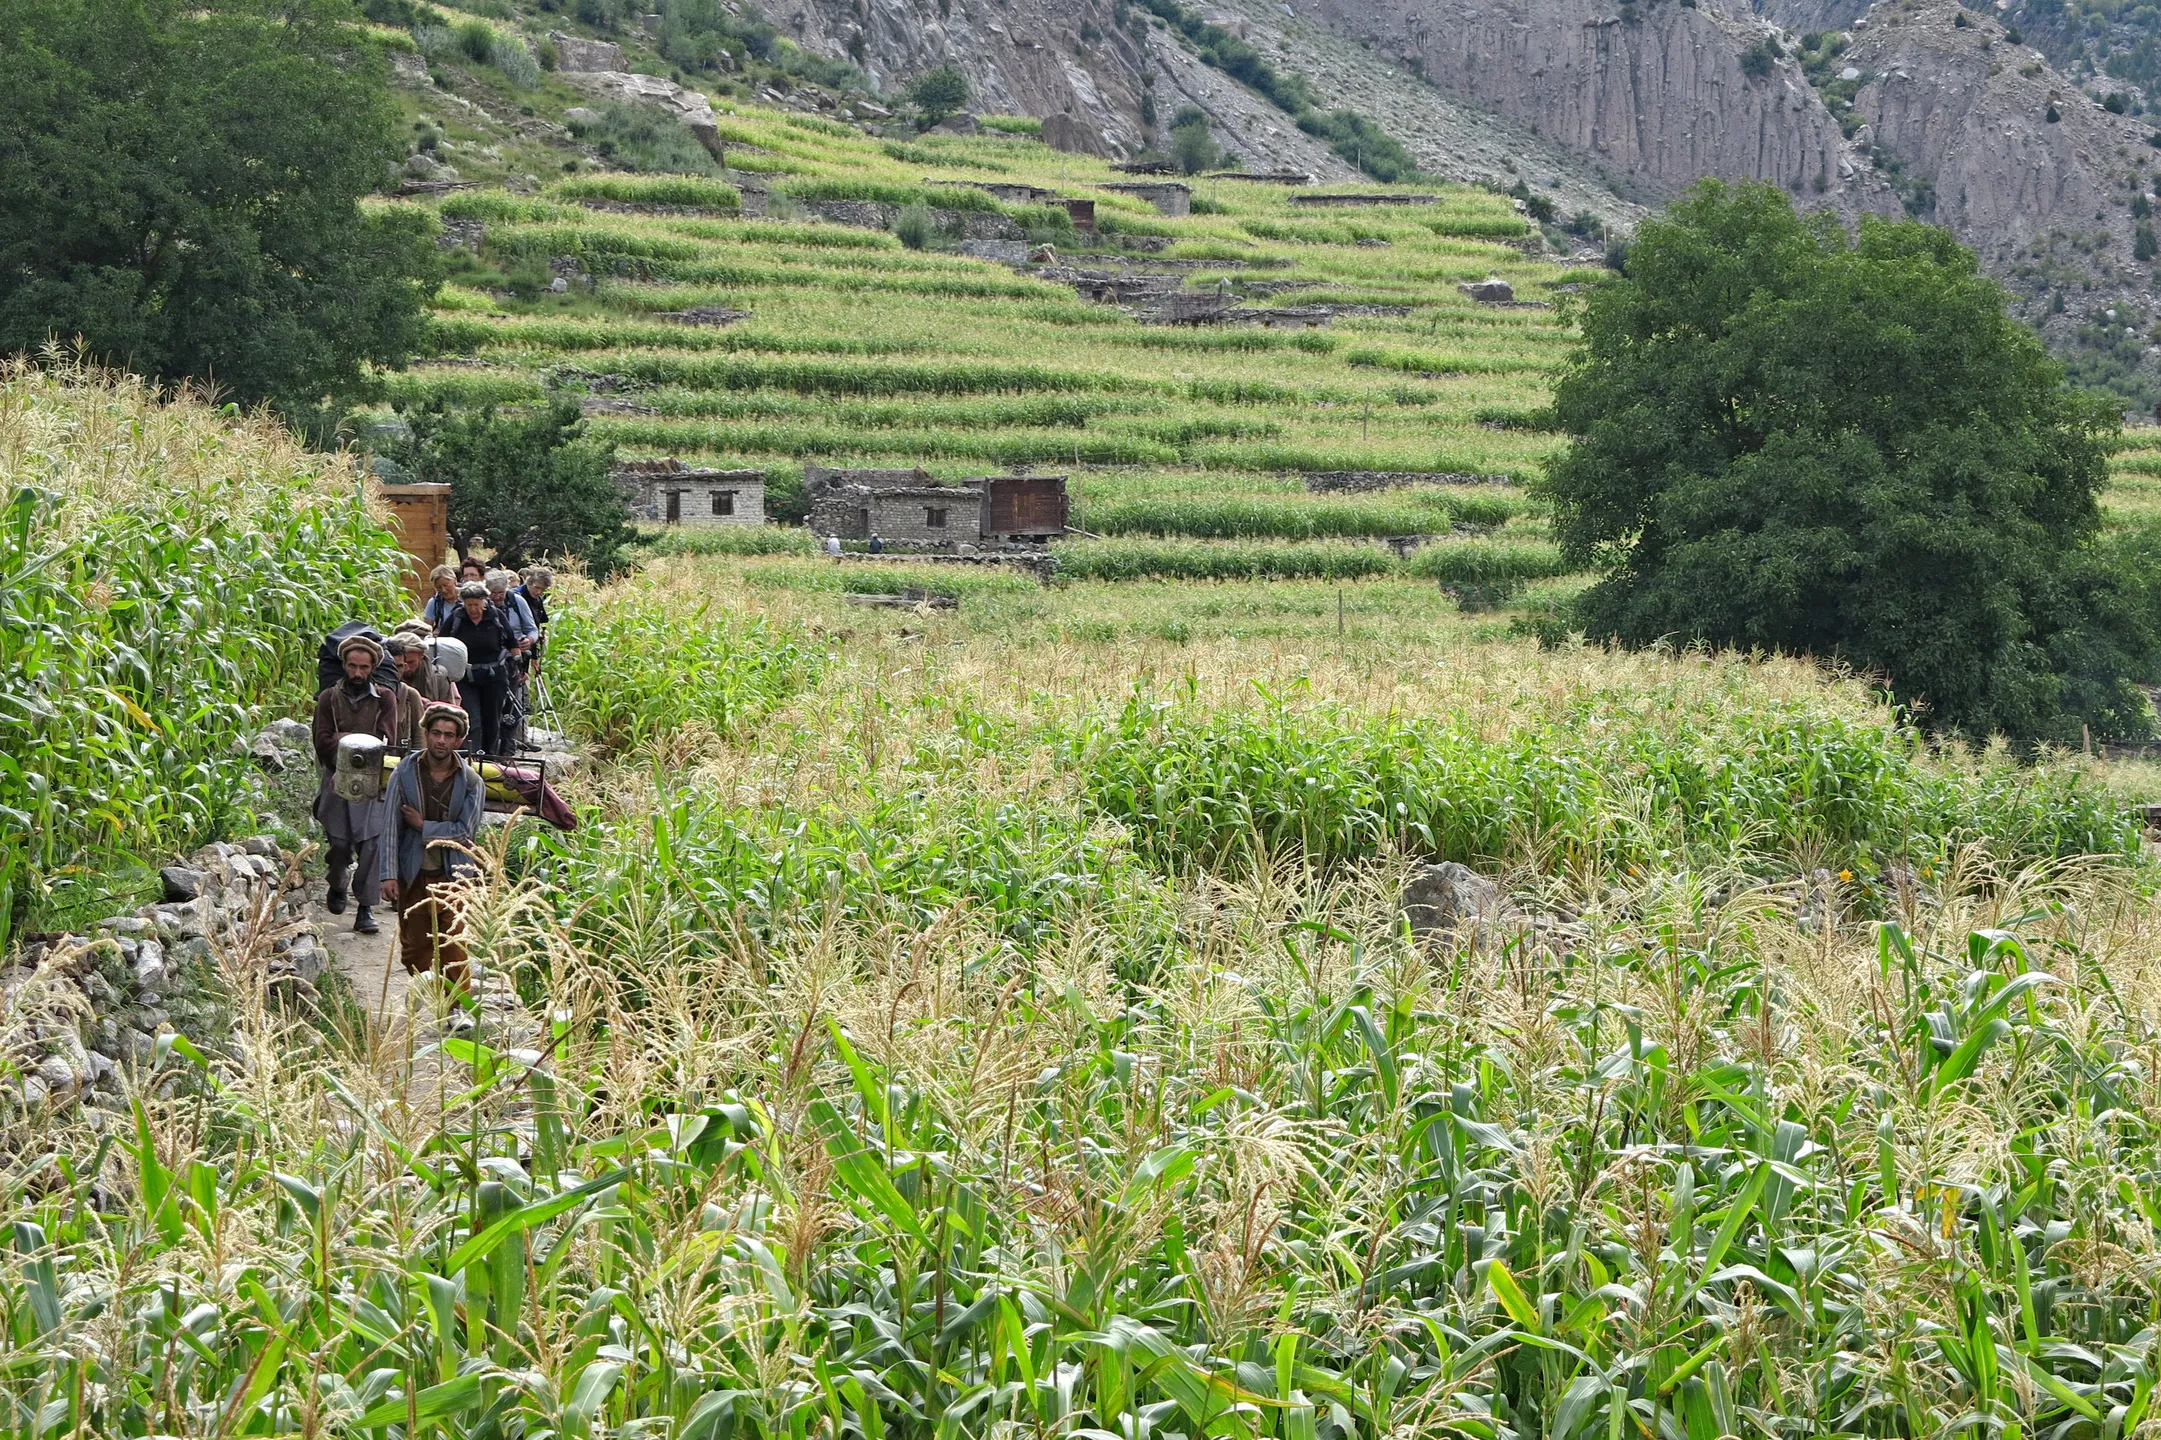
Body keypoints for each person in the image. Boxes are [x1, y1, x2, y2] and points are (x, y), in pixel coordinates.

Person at [381, 702, 484, 988]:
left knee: (454, 944)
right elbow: (390, 825)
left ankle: (457, 1007)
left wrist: (423, 826)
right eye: (436, 733)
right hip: (413, 873)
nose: (441, 740)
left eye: (449, 735)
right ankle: (436, 997)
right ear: (426, 734)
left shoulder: (472, 781)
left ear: (459, 740)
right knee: (415, 950)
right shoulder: (404, 773)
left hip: (453, 875)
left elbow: (465, 833)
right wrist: (388, 874)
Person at [311, 633, 401, 934]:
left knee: (371, 844)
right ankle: (337, 883)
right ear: (344, 665)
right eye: (352, 666)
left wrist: (346, 742)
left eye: (364, 667)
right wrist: (351, 749)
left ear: (373, 667)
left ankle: (365, 907)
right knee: (339, 844)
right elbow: (322, 742)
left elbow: (387, 739)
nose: (358, 673)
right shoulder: (328, 698)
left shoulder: (386, 698)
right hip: (337, 779)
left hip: (373, 783)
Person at [439, 580, 515, 755]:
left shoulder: (496, 617)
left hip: (494, 677)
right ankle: (472, 755)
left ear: (485, 602)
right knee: (472, 718)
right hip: (466, 677)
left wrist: (518, 665)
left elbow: (512, 642)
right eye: (469, 605)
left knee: (492, 719)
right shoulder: (457, 617)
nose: (472, 609)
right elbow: (442, 642)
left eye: (476, 605)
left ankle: (491, 756)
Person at [391, 624, 456, 704]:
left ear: (421, 655)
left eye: (411, 662)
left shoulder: (438, 677)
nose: (406, 668)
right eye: (400, 665)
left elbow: (449, 709)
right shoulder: (385, 677)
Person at [421, 565, 461, 631]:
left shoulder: (467, 598)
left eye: (446, 585)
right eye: (439, 587)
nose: (443, 590)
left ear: (455, 581)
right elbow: (426, 629)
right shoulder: (434, 603)